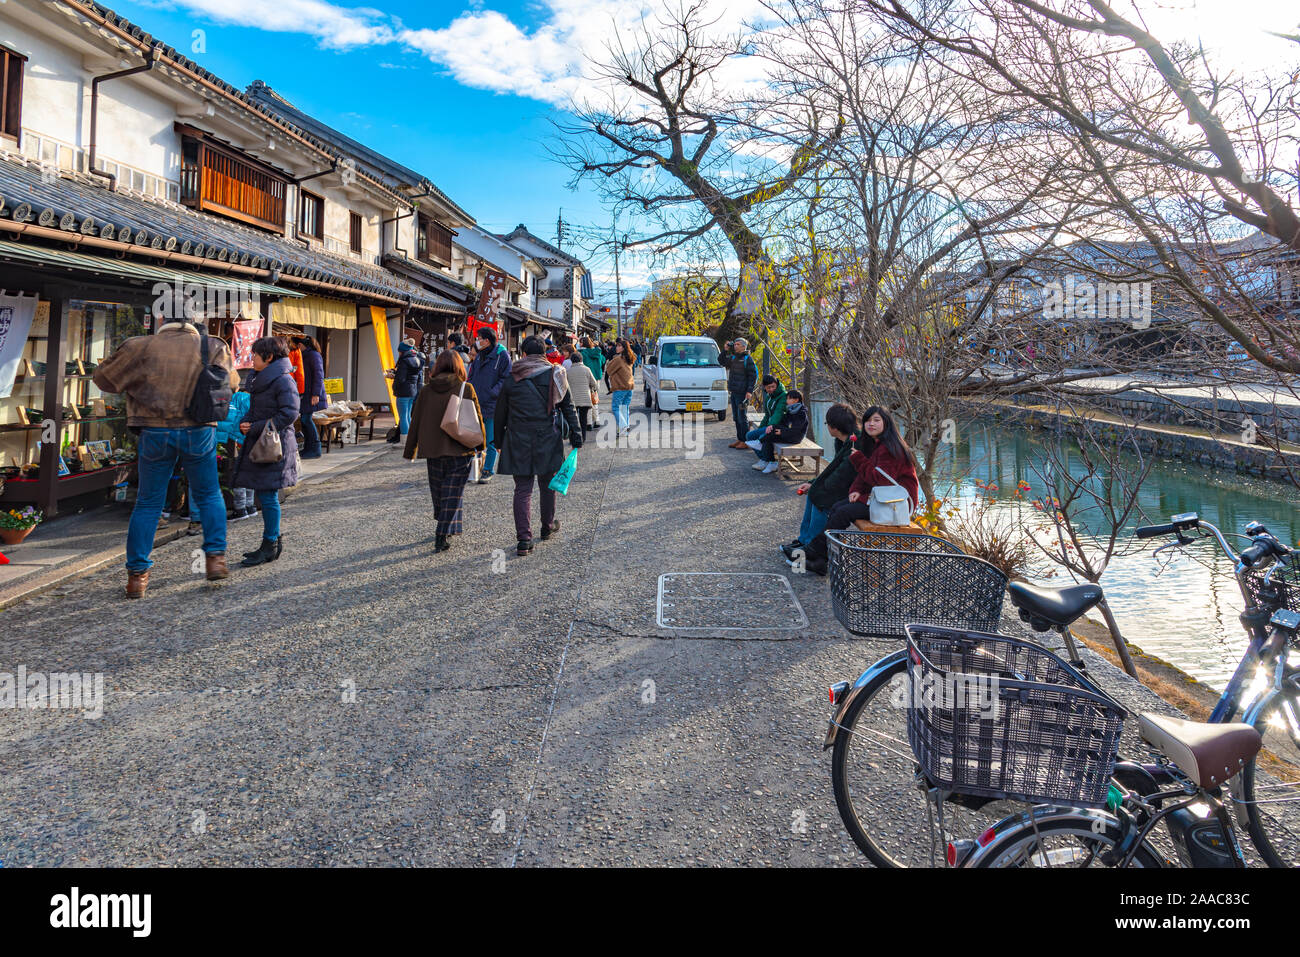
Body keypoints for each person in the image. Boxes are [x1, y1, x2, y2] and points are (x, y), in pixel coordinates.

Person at [93, 317, 240, 597]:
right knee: (208, 494)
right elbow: (231, 383)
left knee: (148, 502)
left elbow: (103, 379)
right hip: (198, 430)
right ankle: (215, 559)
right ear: (194, 319)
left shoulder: (139, 346)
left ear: (162, 319)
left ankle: (137, 577)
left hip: (154, 430)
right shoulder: (211, 345)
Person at [796, 406, 920, 576]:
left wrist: (858, 459)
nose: (871, 424)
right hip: (883, 498)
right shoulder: (879, 444)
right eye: (868, 420)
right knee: (838, 507)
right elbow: (864, 476)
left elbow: (880, 479)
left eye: (876, 420)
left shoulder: (890, 449)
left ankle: (814, 551)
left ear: (887, 423)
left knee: (843, 513)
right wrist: (856, 490)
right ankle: (822, 558)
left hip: (897, 505)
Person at [494, 334, 582, 556]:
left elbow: (500, 412)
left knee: (522, 489)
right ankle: (547, 526)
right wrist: (576, 433)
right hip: (547, 436)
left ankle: (524, 540)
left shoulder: (512, 376)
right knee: (546, 484)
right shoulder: (555, 373)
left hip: (517, 437)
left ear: (523, 353)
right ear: (545, 353)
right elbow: (568, 407)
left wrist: (497, 440)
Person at [403, 349, 486, 552]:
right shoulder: (465, 388)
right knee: (453, 493)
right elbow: (477, 418)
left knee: (439, 493)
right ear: (460, 366)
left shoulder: (426, 391)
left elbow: (416, 421)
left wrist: (410, 449)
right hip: (460, 449)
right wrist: (481, 446)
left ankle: (445, 525)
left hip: (432, 450)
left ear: (437, 366)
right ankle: (442, 533)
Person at [234, 337, 301, 567]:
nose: (252, 358)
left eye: (255, 355)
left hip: (276, 446)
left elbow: (290, 413)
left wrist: (255, 427)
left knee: (269, 496)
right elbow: (255, 410)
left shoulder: (283, 381)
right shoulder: (259, 379)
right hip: (263, 442)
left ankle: (270, 544)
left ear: (269, 357)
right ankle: (270, 543)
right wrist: (246, 422)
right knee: (265, 494)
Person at [781, 403, 858, 560]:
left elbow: (842, 475)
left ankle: (812, 546)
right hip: (846, 485)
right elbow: (833, 470)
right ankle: (804, 540)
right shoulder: (843, 440)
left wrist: (818, 486)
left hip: (855, 489)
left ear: (834, 427)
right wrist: (813, 482)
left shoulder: (855, 443)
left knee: (821, 498)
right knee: (814, 492)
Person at [466, 326, 512, 483]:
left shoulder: (502, 356)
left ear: (486, 340)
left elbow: (506, 379)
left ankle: (488, 470)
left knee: (491, 440)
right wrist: (469, 388)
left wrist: (493, 392)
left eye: (479, 338)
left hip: (493, 405)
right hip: (476, 402)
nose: (477, 341)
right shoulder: (479, 356)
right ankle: (475, 468)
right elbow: (472, 375)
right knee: (475, 439)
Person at [752, 388, 809, 474]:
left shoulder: (801, 413)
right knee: (771, 432)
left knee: (769, 438)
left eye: (789, 398)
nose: (787, 400)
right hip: (788, 433)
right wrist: (773, 427)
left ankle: (762, 446)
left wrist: (782, 432)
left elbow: (795, 430)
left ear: (796, 400)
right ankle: (771, 461)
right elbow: (783, 422)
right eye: (787, 398)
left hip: (795, 437)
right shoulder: (791, 410)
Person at [387, 338, 425, 441]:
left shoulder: (404, 361)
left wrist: (392, 377)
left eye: (399, 351)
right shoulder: (416, 359)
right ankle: (410, 439)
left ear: (402, 351)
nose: (398, 353)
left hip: (403, 392)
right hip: (412, 391)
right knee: (408, 416)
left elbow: (401, 378)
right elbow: (410, 376)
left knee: (403, 417)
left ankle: (404, 440)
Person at [724, 338, 759, 447]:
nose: (735, 346)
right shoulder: (734, 358)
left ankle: (745, 441)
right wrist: (725, 350)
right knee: (736, 417)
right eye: (735, 344)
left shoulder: (748, 359)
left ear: (744, 346)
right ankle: (740, 439)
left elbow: (753, 376)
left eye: (738, 344)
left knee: (742, 417)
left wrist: (749, 391)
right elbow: (721, 361)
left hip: (743, 394)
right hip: (734, 392)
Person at [297, 335, 326, 459]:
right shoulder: (305, 355)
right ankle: (309, 448)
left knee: (306, 420)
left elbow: (319, 375)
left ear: (301, 345)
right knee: (304, 420)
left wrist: (316, 394)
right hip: (306, 393)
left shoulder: (313, 355)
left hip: (312, 394)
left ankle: (315, 448)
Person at [742, 375, 787, 453]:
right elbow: (767, 415)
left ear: (777, 384)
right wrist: (761, 428)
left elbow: (778, 413)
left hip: (778, 427)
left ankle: (769, 460)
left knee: (761, 437)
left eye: (773, 386)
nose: (771, 389)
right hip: (769, 425)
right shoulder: (769, 397)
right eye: (768, 387)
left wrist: (770, 426)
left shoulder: (783, 396)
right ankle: (763, 459)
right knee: (749, 436)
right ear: (764, 387)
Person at [605, 339, 637, 433]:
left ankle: (624, 427)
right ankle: (625, 430)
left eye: (619, 346)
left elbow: (609, 370)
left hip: (620, 387)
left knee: (615, 408)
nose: (617, 347)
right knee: (624, 408)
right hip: (630, 386)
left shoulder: (618, 359)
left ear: (623, 348)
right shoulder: (630, 358)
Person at [565, 351, 599, 434]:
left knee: (574, 419)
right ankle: (583, 437)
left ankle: (575, 438)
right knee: (583, 419)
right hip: (585, 399)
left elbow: (565, 386)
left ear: (571, 360)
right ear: (581, 359)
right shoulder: (587, 369)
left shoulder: (568, 371)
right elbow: (594, 384)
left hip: (573, 400)